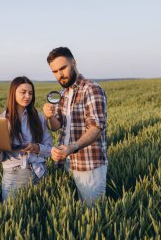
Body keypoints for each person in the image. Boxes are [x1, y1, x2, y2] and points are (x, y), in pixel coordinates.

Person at [43, 47, 108, 207]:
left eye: (63, 68)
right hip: (67, 161)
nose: (60, 74)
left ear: (74, 62)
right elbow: (56, 126)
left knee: (92, 212)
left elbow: (96, 128)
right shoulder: (62, 93)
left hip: (88, 164)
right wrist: (50, 116)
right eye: (55, 71)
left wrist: (72, 147)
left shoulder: (91, 89)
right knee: (77, 211)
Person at [0, 76, 53, 202]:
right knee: (12, 217)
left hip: (40, 173)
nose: (27, 96)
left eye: (30, 93)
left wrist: (35, 147)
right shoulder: (1, 120)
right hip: (14, 176)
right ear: (13, 93)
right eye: (23, 92)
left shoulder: (39, 117)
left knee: (39, 216)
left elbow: (50, 149)